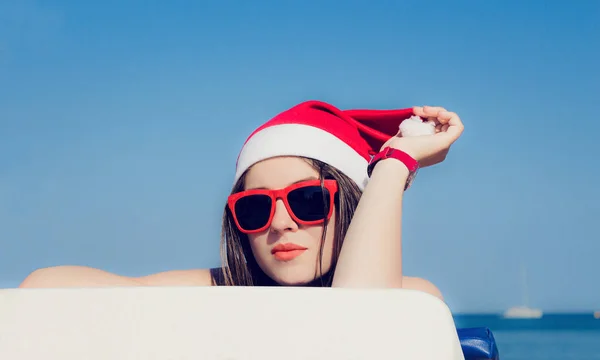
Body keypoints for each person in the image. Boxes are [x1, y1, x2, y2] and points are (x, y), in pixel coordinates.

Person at [18, 100, 464, 300]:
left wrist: (394, 165)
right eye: (255, 208)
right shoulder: (222, 289)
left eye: (308, 201)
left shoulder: (411, 297)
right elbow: (42, 288)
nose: (281, 224)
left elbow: (362, 321)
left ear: (354, 206)